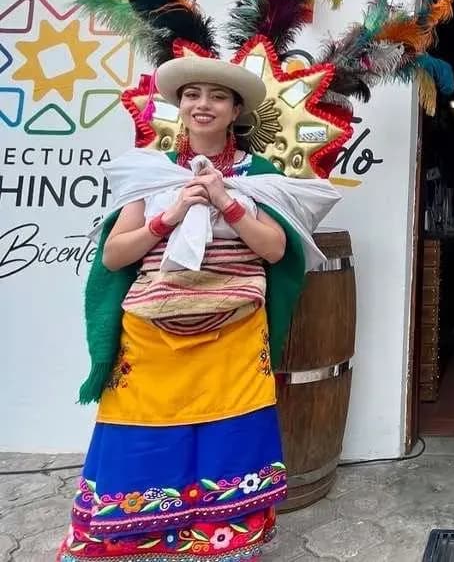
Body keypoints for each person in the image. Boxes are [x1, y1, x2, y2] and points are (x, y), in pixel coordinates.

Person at [58, 56, 340, 561]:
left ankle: (221, 542)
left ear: (236, 111)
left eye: (216, 97)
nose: (202, 105)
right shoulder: (150, 173)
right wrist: (170, 215)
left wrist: (226, 202)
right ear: (179, 106)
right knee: (142, 426)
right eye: (193, 95)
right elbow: (115, 255)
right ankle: (132, 539)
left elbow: (275, 251)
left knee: (226, 431)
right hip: (151, 331)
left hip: (234, 330)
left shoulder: (261, 177)